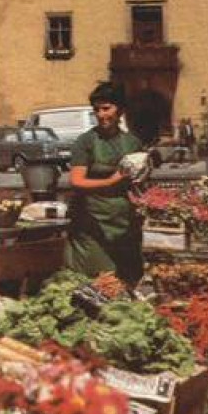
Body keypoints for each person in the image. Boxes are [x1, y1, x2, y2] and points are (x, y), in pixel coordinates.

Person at [65, 80, 144, 286]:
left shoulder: (132, 142)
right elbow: (76, 181)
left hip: (124, 223)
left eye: (106, 108)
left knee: (127, 280)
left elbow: (136, 180)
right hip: (92, 224)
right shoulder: (86, 142)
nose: (101, 114)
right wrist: (111, 181)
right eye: (96, 110)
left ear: (120, 110)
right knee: (98, 282)